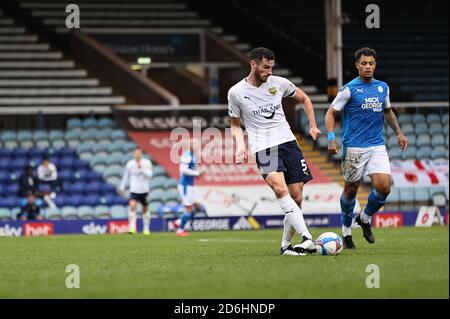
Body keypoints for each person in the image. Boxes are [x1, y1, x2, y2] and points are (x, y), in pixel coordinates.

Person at [228, 47, 321, 256]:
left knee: (296, 198)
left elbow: (304, 98)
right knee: (280, 190)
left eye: (271, 67)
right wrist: (241, 146)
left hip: (288, 142)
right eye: (265, 67)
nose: (269, 72)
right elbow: (235, 125)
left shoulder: (279, 84)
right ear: (253, 64)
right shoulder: (236, 92)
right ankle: (308, 238)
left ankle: (285, 246)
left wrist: (313, 125)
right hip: (264, 147)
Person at [324, 47, 408, 249]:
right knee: (351, 190)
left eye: (371, 63)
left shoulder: (382, 88)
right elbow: (330, 114)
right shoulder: (349, 89)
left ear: (375, 65)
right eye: (364, 63)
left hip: (377, 145)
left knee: (384, 187)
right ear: (357, 65)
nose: (368, 67)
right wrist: (331, 139)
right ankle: (346, 232)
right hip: (354, 148)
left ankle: (364, 218)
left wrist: (398, 132)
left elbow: (388, 112)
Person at [174, 138, 206, 237]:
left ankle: (179, 222)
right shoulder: (187, 156)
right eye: (192, 144)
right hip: (185, 186)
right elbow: (183, 170)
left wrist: (199, 174)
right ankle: (180, 230)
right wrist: (198, 172)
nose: (194, 146)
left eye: (195, 144)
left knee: (197, 206)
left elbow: (194, 173)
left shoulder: (194, 157)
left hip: (191, 186)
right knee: (188, 208)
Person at [119, 148, 153, 235]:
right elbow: (125, 175)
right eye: (135, 153)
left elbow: (150, 175)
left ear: (141, 154)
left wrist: (141, 168)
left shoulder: (147, 163)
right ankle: (132, 228)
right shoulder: (130, 164)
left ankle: (146, 229)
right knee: (132, 206)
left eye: (139, 153)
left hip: (144, 190)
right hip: (134, 189)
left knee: (145, 209)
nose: (137, 155)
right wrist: (122, 187)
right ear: (133, 154)